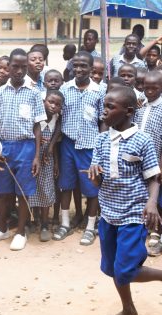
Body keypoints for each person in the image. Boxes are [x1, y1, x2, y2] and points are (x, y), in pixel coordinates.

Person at [88, 85, 162, 315]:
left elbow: (153, 177)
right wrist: (95, 173)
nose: (104, 110)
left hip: (133, 213)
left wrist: (152, 203)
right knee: (111, 268)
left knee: (126, 270)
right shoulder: (100, 140)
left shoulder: (142, 140)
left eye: (111, 106)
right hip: (109, 213)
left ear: (128, 111)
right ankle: (128, 309)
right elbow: (99, 180)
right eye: (104, 105)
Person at [0, 48, 47, 251]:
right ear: (8, 67)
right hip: (4, 147)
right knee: (3, 192)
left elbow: (38, 126)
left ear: (27, 67)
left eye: (23, 67)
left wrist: (37, 155)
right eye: (15, 66)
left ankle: (20, 231)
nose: (19, 71)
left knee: (23, 192)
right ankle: (2, 228)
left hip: (26, 147)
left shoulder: (34, 93)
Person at [53, 51, 103, 246]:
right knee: (65, 185)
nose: (79, 69)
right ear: (71, 67)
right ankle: (65, 223)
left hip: (90, 146)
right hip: (68, 144)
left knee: (92, 188)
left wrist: (100, 148)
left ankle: (90, 227)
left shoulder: (99, 91)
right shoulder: (65, 89)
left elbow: (103, 123)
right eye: (76, 66)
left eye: (84, 66)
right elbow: (60, 119)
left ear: (91, 69)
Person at [133, 71, 162, 255]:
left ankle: (158, 233)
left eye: (155, 88)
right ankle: (150, 229)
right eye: (146, 87)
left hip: (158, 160)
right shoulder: (141, 106)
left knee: (159, 198)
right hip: (141, 161)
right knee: (146, 196)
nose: (149, 91)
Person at [29, 90, 63, 241]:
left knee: (46, 188)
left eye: (57, 104)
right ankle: (32, 219)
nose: (53, 106)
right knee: (32, 187)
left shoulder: (56, 118)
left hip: (47, 159)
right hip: (33, 156)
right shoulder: (36, 118)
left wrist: (55, 160)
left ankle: (44, 223)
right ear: (43, 101)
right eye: (50, 102)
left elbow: (54, 144)